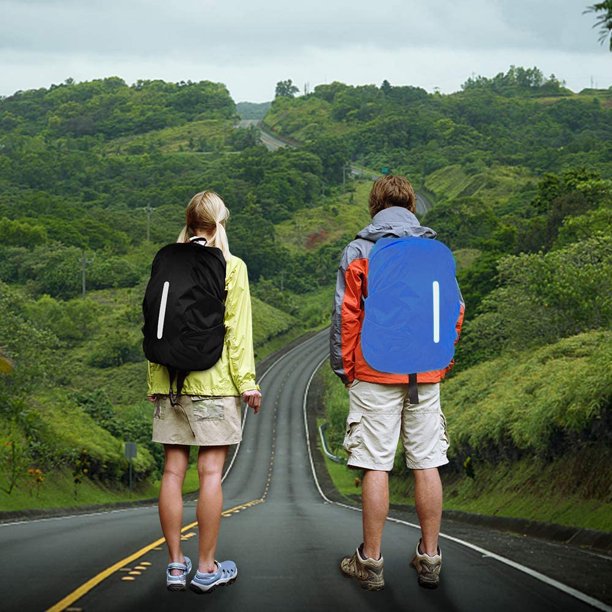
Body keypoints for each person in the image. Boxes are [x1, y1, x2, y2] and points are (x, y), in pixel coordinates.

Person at [330, 175, 464, 591]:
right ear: (412, 206)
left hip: (374, 370)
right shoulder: (434, 253)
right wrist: (441, 360)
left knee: (375, 464)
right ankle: (430, 558)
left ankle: (370, 562)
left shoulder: (360, 249)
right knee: (426, 460)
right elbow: (454, 311)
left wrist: (345, 369)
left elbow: (345, 316)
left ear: (375, 207)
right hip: (424, 371)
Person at [147, 190, 262, 593]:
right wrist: (247, 384)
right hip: (213, 385)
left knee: (172, 472)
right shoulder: (231, 266)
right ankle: (207, 568)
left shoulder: (166, 260)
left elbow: (156, 321)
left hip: (169, 382)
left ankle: (175, 566)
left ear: (190, 222)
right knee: (210, 473)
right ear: (219, 224)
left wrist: (154, 383)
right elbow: (237, 333)